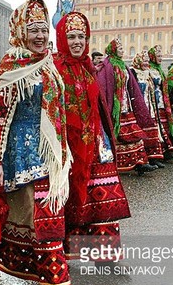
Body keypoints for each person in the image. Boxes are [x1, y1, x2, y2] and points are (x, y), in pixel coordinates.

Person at [0, 0, 75, 285]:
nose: (40, 36)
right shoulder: (11, 69)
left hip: (50, 159)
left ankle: (47, 280)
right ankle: (52, 283)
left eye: (43, 30)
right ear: (22, 31)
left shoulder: (48, 65)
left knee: (48, 220)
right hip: (23, 158)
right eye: (34, 29)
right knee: (38, 220)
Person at [53, 12, 130, 241]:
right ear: (61, 39)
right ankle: (72, 249)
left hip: (97, 144)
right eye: (72, 37)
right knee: (71, 198)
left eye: (82, 37)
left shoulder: (89, 67)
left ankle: (106, 252)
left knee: (103, 196)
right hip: (69, 147)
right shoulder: (55, 69)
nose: (78, 42)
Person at [95, 37, 156, 175]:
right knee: (119, 135)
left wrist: (136, 102)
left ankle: (140, 162)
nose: (123, 51)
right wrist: (107, 106)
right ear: (114, 50)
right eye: (121, 48)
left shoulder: (123, 65)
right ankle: (120, 164)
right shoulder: (108, 65)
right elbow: (103, 86)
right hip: (116, 107)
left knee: (133, 132)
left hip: (127, 105)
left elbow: (130, 85)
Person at [130, 51, 166, 167]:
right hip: (140, 108)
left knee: (152, 131)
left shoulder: (148, 73)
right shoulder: (133, 72)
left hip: (150, 106)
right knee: (143, 132)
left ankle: (154, 157)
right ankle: (144, 158)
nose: (146, 63)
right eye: (143, 60)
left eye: (147, 60)